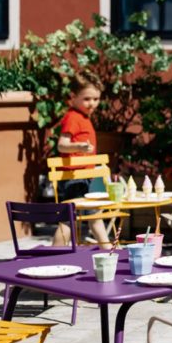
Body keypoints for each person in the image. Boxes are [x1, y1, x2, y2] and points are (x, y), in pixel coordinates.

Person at [52, 72, 111, 248]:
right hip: (74, 177)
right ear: (74, 97)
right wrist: (79, 147)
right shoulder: (73, 118)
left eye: (96, 99)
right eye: (86, 99)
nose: (92, 103)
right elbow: (62, 145)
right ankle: (53, 256)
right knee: (68, 220)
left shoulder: (83, 117)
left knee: (94, 217)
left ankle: (110, 251)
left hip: (86, 176)